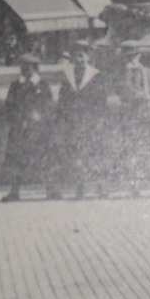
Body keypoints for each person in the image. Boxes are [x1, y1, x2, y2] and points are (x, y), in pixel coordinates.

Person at [53, 41, 109, 200]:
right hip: (74, 123)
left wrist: (99, 120)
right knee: (77, 156)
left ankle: (101, 188)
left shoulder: (96, 76)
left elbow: (101, 101)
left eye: (83, 55)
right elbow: (62, 101)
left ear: (88, 56)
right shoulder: (67, 77)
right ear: (72, 58)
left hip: (91, 122)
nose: (80, 59)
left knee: (95, 154)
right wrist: (61, 120)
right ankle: (81, 189)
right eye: (77, 55)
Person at [0, 53, 55, 202]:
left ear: (35, 68)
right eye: (22, 67)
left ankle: (51, 189)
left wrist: (40, 116)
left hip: (39, 129)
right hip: (20, 129)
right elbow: (9, 106)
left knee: (45, 158)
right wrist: (17, 120)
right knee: (16, 160)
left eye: (28, 67)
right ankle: (15, 191)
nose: (24, 70)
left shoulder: (43, 84)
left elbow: (49, 105)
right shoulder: (16, 85)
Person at [117, 38, 150, 196]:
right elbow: (125, 93)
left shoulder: (149, 72)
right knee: (132, 151)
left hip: (148, 116)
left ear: (139, 56)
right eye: (128, 57)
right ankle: (134, 186)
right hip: (131, 117)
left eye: (134, 56)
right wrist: (140, 96)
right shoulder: (123, 74)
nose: (131, 60)